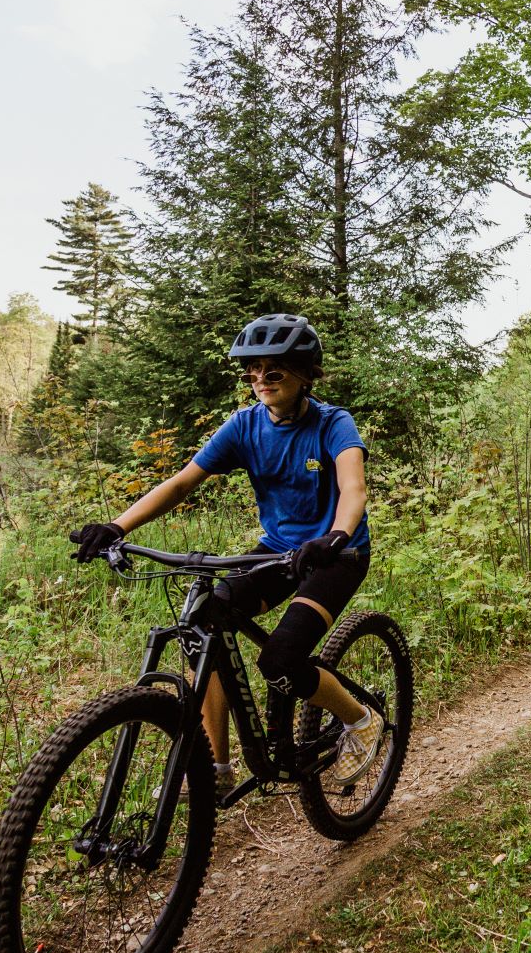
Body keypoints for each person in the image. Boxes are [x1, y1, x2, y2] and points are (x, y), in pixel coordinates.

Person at [68, 313, 381, 793]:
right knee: (203, 622)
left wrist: (337, 535)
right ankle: (215, 766)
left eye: (272, 372)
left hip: (337, 553)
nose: (259, 381)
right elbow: (180, 484)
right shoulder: (244, 426)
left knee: (280, 659)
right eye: (252, 372)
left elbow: (353, 488)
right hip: (277, 552)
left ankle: (360, 721)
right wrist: (116, 525)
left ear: (304, 374)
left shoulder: (333, 423)